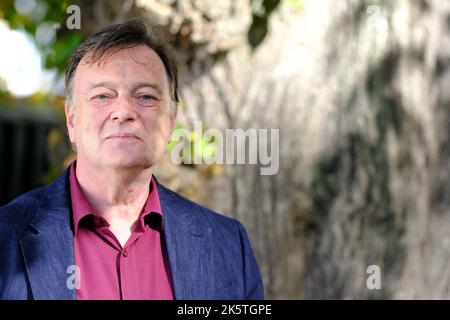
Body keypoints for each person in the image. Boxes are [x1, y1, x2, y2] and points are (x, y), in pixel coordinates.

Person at [0, 19, 263, 300]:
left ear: (171, 121)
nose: (124, 111)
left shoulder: (227, 244)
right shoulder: (5, 238)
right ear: (72, 120)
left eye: (146, 96)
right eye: (102, 96)